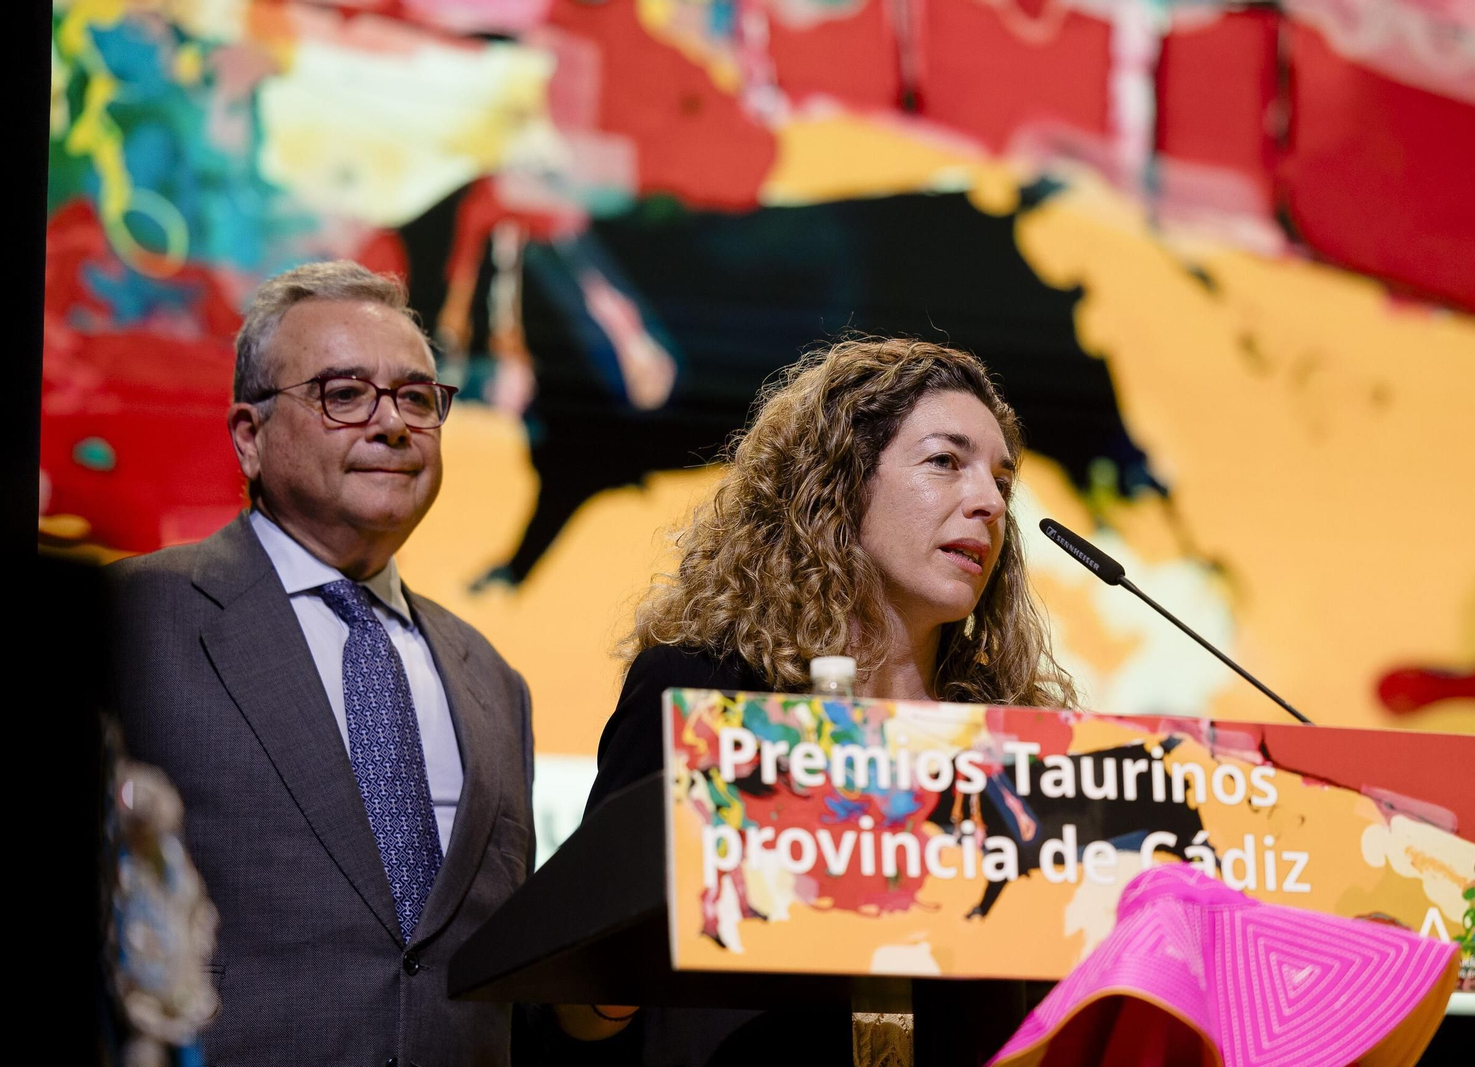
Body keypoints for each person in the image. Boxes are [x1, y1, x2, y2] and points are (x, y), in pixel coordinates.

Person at [556, 336, 1076, 1064]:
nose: (989, 502)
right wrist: (624, 964)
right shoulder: (704, 698)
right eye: (944, 462)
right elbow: (575, 1012)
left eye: (1002, 481)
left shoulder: (1015, 747)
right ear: (840, 482)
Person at [109, 261, 536, 1066]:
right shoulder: (134, 619)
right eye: (345, 394)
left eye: (417, 397)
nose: (393, 423)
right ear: (250, 436)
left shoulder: (494, 682)